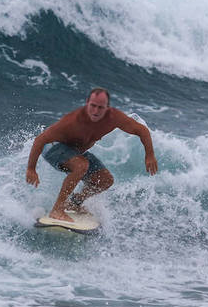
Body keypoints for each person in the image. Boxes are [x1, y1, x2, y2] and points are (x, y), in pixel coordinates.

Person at [26, 87, 158, 222]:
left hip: (75, 152)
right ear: (87, 103)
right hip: (53, 148)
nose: (96, 111)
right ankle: (57, 210)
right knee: (81, 165)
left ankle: (74, 203)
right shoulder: (73, 121)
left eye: (100, 107)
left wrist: (150, 155)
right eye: (93, 106)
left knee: (105, 180)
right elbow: (40, 140)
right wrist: (31, 168)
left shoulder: (114, 118)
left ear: (107, 107)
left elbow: (142, 130)